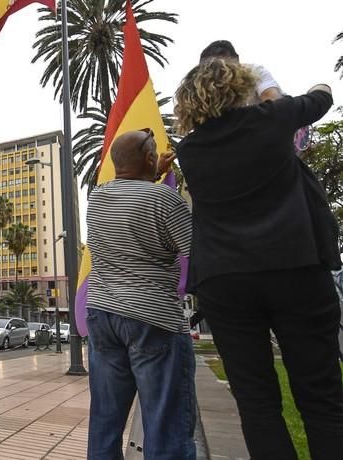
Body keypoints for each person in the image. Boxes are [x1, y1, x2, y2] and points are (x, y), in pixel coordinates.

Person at [174, 58, 343, 459]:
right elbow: (322, 96)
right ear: (240, 88)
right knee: (320, 394)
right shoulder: (272, 119)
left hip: (225, 280)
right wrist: (269, 90)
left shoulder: (190, 149)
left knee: (256, 401)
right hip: (294, 265)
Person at [85, 129, 195, 459]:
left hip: (103, 315)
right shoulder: (166, 201)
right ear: (149, 158)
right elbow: (196, 252)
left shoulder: (97, 198)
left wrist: (153, 170)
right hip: (153, 318)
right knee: (165, 423)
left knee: (105, 421)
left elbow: (133, 195)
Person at [199, 40, 282, 102]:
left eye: (225, 67)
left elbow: (273, 101)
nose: (219, 74)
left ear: (237, 61)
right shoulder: (202, 88)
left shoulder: (255, 71)